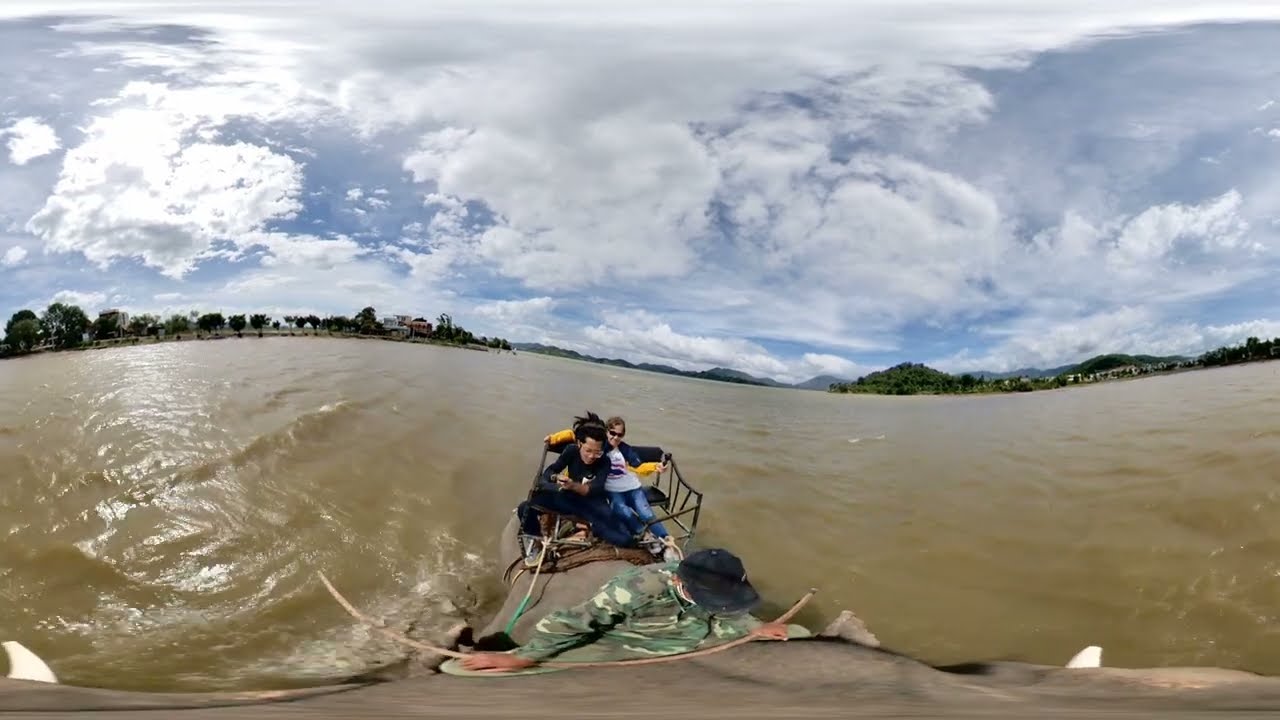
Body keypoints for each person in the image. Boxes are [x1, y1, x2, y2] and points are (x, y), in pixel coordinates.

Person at [459, 548, 792, 672]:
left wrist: (752, 626)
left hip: (687, 625)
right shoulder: (639, 588)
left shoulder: (711, 591)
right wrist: (525, 657)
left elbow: (727, 611)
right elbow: (580, 620)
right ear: (681, 583)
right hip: (637, 633)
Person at [516, 413, 633, 564]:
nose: (592, 456)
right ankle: (538, 542)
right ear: (579, 444)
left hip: (591, 502)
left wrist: (572, 485)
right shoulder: (571, 451)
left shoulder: (605, 461)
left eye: (597, 452)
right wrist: (555, 479)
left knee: (624, 539)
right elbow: (548, 473)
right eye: (588, 451)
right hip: (567, 496)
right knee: (524, 508)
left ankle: (588, 527)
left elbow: (593, 489)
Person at [601, 415, 675, 560]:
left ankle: (667, 542)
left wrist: (656, 466)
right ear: (606, 431)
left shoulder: (625, 450)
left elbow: (639, 467)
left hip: (633, 487)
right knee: (623, 511)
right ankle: (647, 537)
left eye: (619, 434)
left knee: (646, 514)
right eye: (612, 433)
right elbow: (576, 441)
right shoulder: (598, 448)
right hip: (613, 490)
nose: (615, 437)